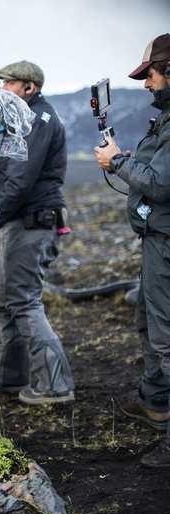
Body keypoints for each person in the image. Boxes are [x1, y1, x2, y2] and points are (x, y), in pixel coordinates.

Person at [0, 60, 75, 405]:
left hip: (33, 221)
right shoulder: (22, 118)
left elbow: (20, 181)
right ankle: (10, 375)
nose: (1, 89)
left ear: (28, 88)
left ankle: (55, 386)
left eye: (8, 83)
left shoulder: (37, 119)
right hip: (22, 222)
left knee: (23, 299)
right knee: (5, 299)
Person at [95, 33, 170, 467]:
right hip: (157, 242)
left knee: (166, 337)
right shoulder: (166, 119)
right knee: (150, 324)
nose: (146, 83)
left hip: (166, 244)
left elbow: (160, 184)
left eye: (151, 74)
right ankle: (157, 403)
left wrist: (119, 162)